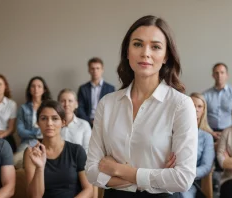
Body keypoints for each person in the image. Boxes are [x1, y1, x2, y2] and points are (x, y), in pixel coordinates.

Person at [85, 15, 198, 198]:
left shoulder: (181, 105)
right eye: (137, 44)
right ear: (127, 52)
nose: (145, 53)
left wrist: (117, 170)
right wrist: (154, 174)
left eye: (155, 47)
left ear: (166, 56)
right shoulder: (107, 103)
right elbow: (91, 171)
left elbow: (182, 178)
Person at [24, 100, 93, 198]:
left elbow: (89, 189)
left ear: (63, 122)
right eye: (44, 118)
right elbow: (34, 196)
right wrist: (40, 168)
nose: (49, 123)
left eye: (55, 118)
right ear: (38, 123)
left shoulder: (77, 151)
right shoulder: (31, 152)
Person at [181, 93, 214, 198]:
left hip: (190, 182)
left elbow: (206, 167)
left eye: (199, 106)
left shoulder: (207, 137)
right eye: (192, 105)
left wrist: (187, 174)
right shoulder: (174, 132)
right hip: (168, 179)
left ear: (203, 110)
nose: (195, 109)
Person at [203, 63, 232, 140]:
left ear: (227, 75)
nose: (219, 75)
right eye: (216, 73)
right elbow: (202, 117)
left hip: (231, 133)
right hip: (209, 133)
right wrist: (210, 132)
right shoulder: (205, 95)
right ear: (213, 75)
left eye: (222, 72)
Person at [17, 76, 52, 152]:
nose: (36, 89)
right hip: (28, 142)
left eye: (39, 86)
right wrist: (37, 133)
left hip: (48, 142)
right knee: (18, 159)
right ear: (29, 90)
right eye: (33, 86)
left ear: (44, 90)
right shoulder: (23, 108)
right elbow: (20, 131)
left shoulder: (50, 107)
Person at [77, 57, 115, 126]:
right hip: (87, 123)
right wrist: (89, 121)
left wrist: (101, 121)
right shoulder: (83, 88)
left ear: (102, 70)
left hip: (105, 123)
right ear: (89, 70)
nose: (95, 71)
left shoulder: (110, 89)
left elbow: (112, 109)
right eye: (92, 68)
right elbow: (80, 108)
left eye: (98, 68)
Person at [58, 89, 91, 153]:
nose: (66, 104)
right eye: (63, 101)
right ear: (58, 104)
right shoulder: (53, 124)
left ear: (76, 104)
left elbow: (88, 149)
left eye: (70, 101)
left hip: (78, 162)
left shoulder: (84, 125)